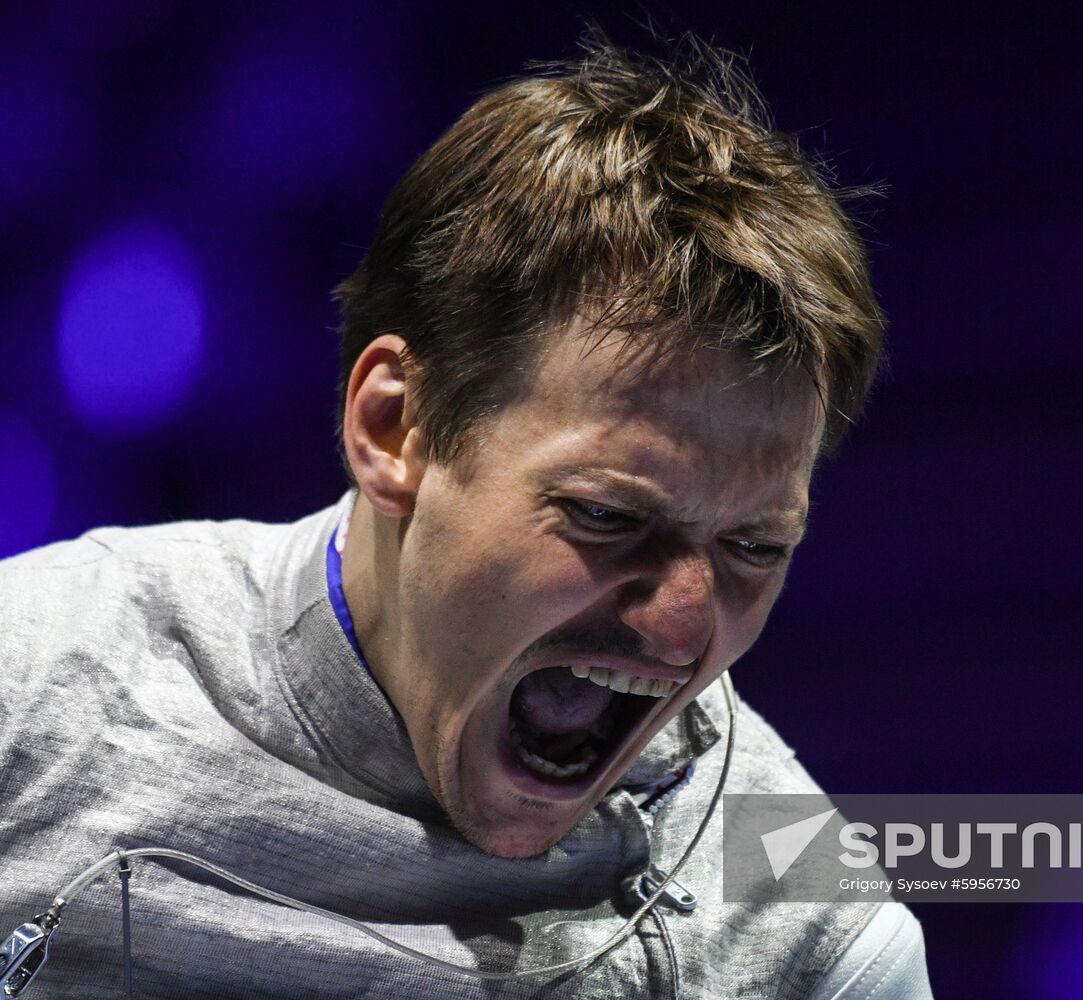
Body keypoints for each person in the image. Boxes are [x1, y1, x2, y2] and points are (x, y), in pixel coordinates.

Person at [0, 35, 932, 998]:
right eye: (607, 515)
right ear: (395, 428)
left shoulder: (806, 935)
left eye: (754, 545)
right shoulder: (31, 686)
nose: (686, 625)